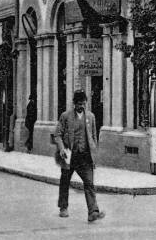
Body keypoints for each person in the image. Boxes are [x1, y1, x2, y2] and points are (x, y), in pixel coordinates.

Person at [54, 90, 105, 223]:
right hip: (69, 155)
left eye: (84, 104)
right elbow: (57, 134)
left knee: (89, 183)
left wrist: (94, 154)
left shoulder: (91, 117)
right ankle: (63, 207)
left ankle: (93, 211)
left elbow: (93, 137)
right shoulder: (65, 116)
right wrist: (61, 149)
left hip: (85, 156)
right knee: (65, 182)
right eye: (79, 104)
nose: (82, 106)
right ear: (74, 104)